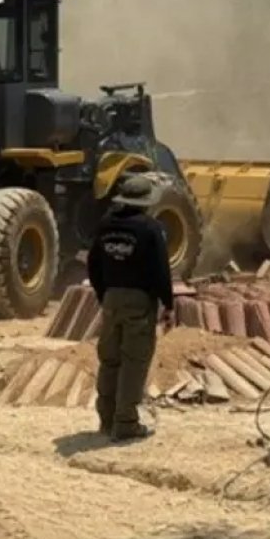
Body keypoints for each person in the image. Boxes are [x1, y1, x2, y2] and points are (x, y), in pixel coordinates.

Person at [86, 176, 175, 442]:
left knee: (110, 359)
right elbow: (161, 269)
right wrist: (168, 305)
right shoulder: (150, 229)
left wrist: (104, 294)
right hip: (139, 300)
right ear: (146, 201)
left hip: (111, 297)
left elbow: (93, 265)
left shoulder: (105, 226)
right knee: (134, 361)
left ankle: (106, 418)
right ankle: (125, 424)